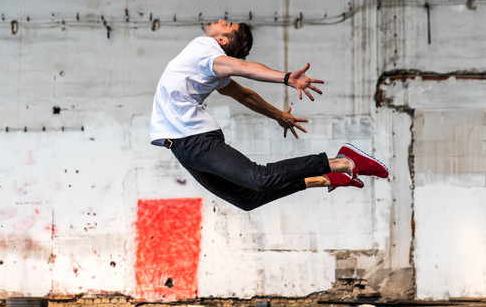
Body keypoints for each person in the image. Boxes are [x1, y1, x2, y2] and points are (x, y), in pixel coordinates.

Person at [150, 19, 388, 211]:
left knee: (259, 178)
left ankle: (344, 161)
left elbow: (244, 68)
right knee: (248, 199)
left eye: (227, 25)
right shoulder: (204, 61)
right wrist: (278, 115)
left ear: (221, 40)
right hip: (181, 145)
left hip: (194, 139)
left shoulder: (207, 53)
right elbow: (243, 95)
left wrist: (286, 77)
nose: (222, 20)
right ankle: (326, 179)